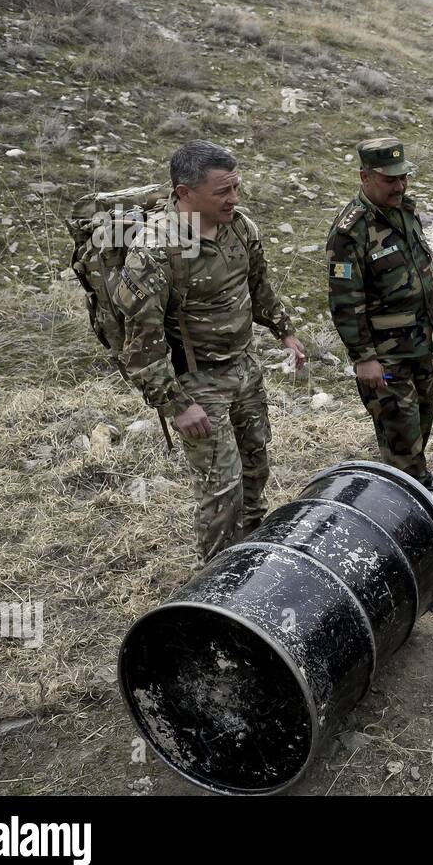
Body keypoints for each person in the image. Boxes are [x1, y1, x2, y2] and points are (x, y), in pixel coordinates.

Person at [116, 140, 305, 563]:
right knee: (222, 490)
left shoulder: (240, 227)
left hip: (245, 368)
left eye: (236, 187)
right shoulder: (154, 249)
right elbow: (141, 345)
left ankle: (253, 560)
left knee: (255, 467)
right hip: (197, 382)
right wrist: (178, 404)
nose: (234, 198)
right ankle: (216, 580)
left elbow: (258, 285)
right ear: (185, 193)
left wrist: (284, 330)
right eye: (223, 191)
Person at [327, 137, 433, 490]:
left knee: (420, 422)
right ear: (365, 177)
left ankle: (418, 484)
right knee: (400, 434)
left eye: (403, 177)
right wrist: (364, 358)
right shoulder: (351, 232)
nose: (400, 186)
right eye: (389, 180)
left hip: (420, 341)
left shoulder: (404, 211)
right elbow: (344, 301)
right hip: (385, 355)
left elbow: (418, 270)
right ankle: (408, 502)